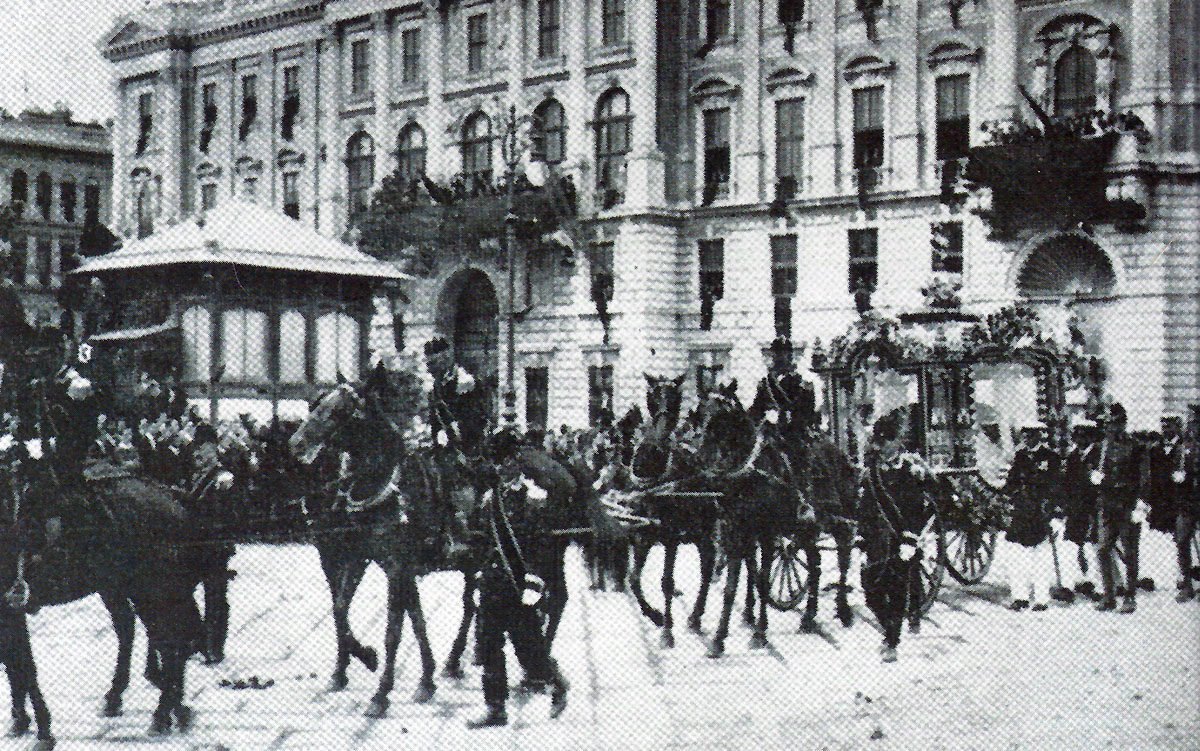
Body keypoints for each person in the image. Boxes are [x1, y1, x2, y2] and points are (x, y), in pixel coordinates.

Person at [466, 429, 569, 729]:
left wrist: (535, 582)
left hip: (520, 584)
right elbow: (484, 540)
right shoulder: (490, 499)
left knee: (528, 647)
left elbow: (541, 544)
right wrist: (478, 573)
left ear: (517, 460)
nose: (502, 467)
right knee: (488, 644)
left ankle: (557, 683)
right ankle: (496, 708)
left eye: (506, 460)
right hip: (493, 583)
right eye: (497, 462)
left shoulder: (534, 498)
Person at [859, 407, 930, 663]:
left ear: (896, 443)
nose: (881, 448)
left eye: (885, 442)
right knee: (870, 592)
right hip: (876, 541)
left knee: (898, 589)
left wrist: (911, 538)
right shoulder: (871, 474)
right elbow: (864, 506)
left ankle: (891, 639)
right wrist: (860, 538)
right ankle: (889, 627)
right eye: (879, 443)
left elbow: (918, 508)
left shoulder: (909, 470)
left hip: (902, 540)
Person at [187, 421, 237, 664]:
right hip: (194, 544)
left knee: (215, 595)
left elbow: (231, 514)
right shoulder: (196, 475)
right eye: (198, 447)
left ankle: (215, 645)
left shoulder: (222, 477)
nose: (200, 452)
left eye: (205, 447)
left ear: (215, 448)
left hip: (216, 546)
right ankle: (197, 639)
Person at [1092, 403, 1145, 613]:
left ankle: (1130, 596)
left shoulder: (1135, 446)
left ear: (1123, 423)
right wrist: (1093, 477)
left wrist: (1141, 503)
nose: (1110, 428)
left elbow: (1144, 478)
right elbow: (1093, 469)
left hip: (1127, 504)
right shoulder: (1102, 447)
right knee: (1103, 549)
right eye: (1107, 425)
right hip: (1107, 504)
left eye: (1114, 424)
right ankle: (1109, 596)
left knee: (1130, 552)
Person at [1004, 421, 1061, 611]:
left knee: (1040, 556)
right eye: (1024, 435)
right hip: (1021, 510)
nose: (1027, 438)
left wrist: (1051, 509)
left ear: (1039, 436)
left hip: (1040, 510)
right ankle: (1020, 596)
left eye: (1030, 435)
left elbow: (1055, 485)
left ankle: (1041, 598)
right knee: (1017, 555)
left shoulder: (1050, 457)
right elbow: (1011, 481)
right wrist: (1011, 496)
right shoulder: (1020, 456)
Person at [749, 337, 817, 447]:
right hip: (769, 431)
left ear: (790, 356)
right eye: (777, 353)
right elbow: (757, 409)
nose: (779, 357)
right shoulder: (766, 383)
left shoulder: (801, 382)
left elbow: (807, 411)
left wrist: (790, 420)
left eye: (783, 353)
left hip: (793, 432)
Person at [1061, 417, 1102, 600]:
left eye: (1083, 435)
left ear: (1091, 437)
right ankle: (1070, 584)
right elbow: (1067, 483)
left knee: (1094, 546)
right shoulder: (1072, 457)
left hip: (1096, 507)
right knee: (1071, 544)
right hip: (1076, 508)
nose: (1079, 439)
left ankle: (1098, 585)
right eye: (1076, 435)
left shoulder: (1100, 456)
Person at [1174, 407, 1199, 601]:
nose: (1193, 427)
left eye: (1196, 422)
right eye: (1191, 423)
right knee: (1182, 540)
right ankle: (1187, 585)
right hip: (1188, 501)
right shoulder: (1184, 447)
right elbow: (1176, 470)